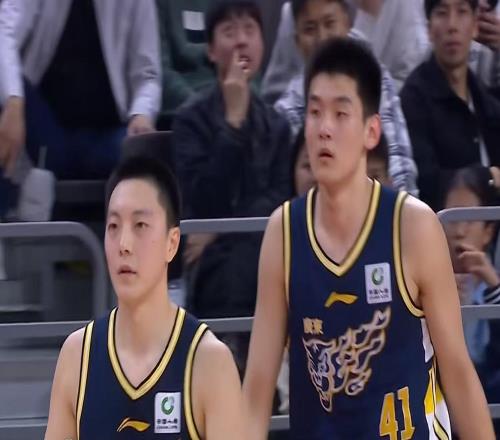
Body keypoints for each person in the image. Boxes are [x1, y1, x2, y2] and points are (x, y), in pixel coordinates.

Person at [243, 37, 494, 439]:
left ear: (371, 131)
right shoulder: (283, 233)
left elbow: (459, 372)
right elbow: (257, 389)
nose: (324, 128)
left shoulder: (413, 227)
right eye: (314, 112)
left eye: (340, 113)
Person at [44, 156, 244, 439]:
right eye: (114, 226)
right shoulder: (77, 357)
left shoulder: (209, 362)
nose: (124, 244)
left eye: (140, 225)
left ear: (172, 243)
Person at [173, 0, 291, 321]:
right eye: (229, 32)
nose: (241, 40)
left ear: (263, 44)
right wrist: (233, 124)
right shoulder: (189, 121)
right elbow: (204, 200)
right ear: (211, 51)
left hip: (262, 248)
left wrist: (221, 231)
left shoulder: (278, 126)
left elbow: (279, 201)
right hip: (213, 266)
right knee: (234, 267)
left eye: (250, 30)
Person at [0, 0, 161, 183]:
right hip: (47, 131)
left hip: (109, 136)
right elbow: (4, 35)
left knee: (141, 149)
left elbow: (147, 75)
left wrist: (142, 114)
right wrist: (13, 101)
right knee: (8, 86)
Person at [274, 0, 418, 196]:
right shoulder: (287, 109)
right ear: (297, 41)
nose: (322, 37)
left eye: (329, 23)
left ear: (348, 24)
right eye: (309, 29)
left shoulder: (375, 78)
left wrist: (401, 210)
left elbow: (399, 161)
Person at [400, 0, 500, 210]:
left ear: (475, 25)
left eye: (462, 12)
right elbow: (425, 181)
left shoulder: (484, 98)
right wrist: (487, 177)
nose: (452, 25)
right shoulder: (413, 98)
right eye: (442, 13)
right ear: (429, 29)